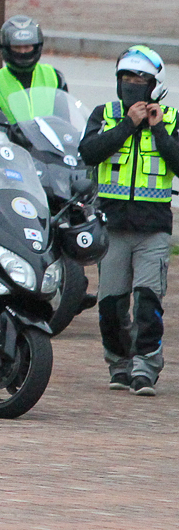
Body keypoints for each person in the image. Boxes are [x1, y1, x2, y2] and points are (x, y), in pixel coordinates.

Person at [79, 46, 179, 395]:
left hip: (153, 229)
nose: (132, 84)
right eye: (126, 78)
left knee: (148, 302)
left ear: (155, 85)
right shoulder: (104, 115)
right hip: (112, 227)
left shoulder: (171, 119)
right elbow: (89, 152)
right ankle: (119, 364)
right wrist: (128, 125)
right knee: (111, 305)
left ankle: (145, 368)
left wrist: (158, 130)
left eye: (140, 79)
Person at [0, 15, 67, 116]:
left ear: (36, 47)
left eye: (27, 47)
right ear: (6, 48)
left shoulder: (55, 77)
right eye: (17, 47)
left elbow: (64, 117)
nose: (23, 52)